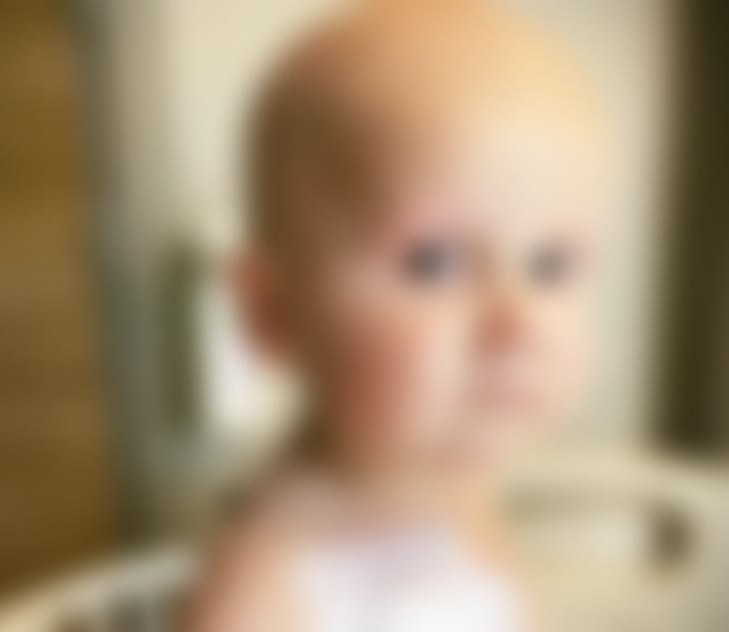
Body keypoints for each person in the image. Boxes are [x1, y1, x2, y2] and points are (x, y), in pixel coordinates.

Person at [186, 1, 609, 630]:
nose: (519, 322)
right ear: (272, 312)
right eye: (434, 263)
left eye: (550, 264)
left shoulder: (462, 496)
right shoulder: (262, 587)